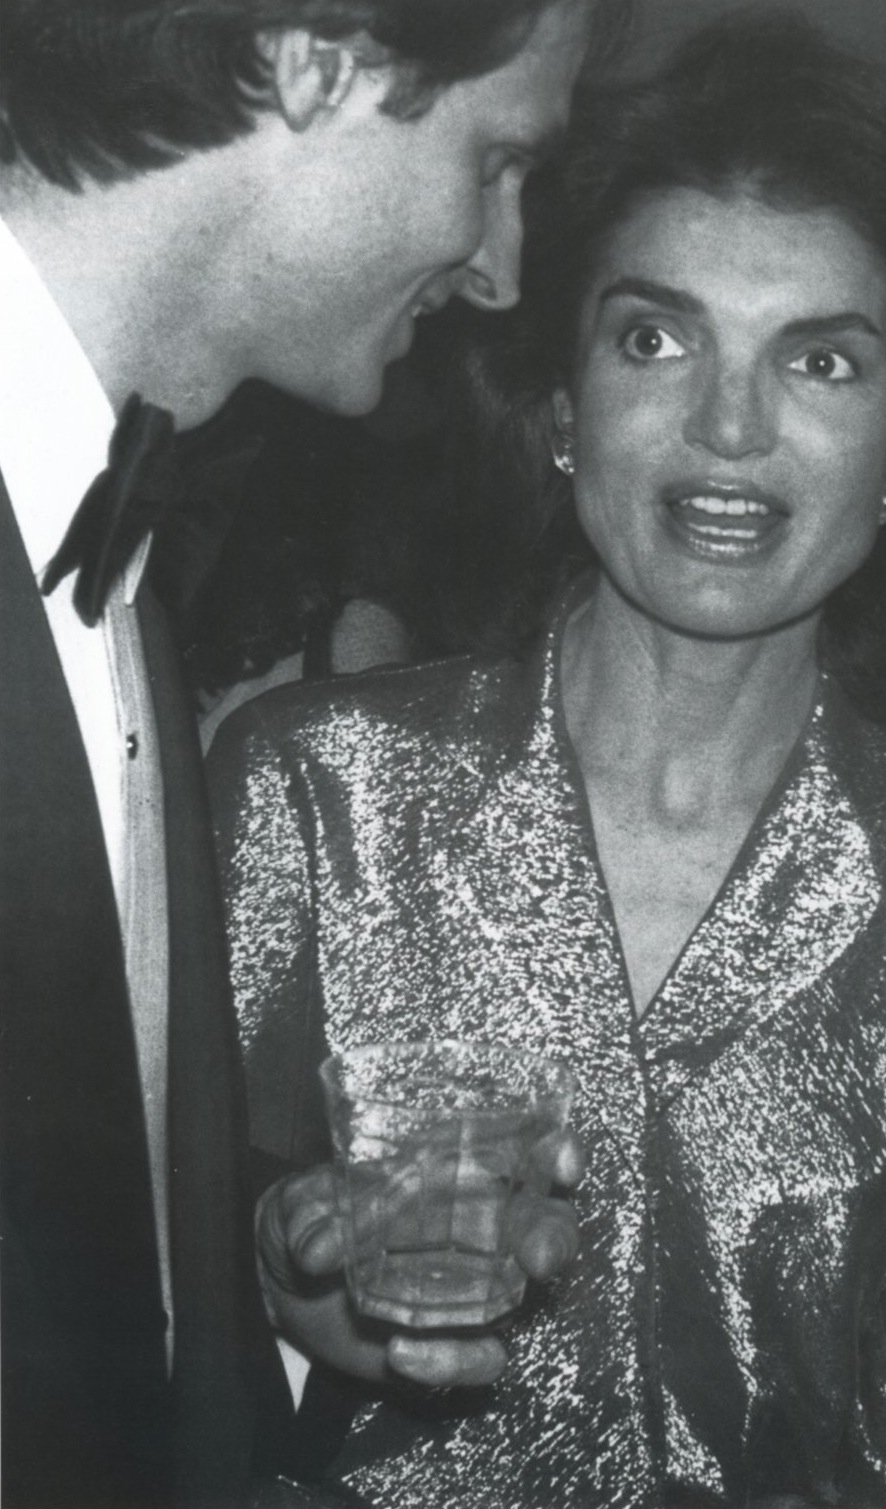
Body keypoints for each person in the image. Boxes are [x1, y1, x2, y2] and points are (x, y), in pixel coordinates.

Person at [208, 14, 886, 1508]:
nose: (727, 427)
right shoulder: (312, 794)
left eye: (821, 362)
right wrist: (285, 1297)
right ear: (560, 405)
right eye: (656, 338)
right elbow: (121, 1316)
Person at [0, 0, 602, 1503]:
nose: (500, 267)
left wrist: (259, 1297)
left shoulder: (110, 540)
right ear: (317, 63)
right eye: (497, 162)